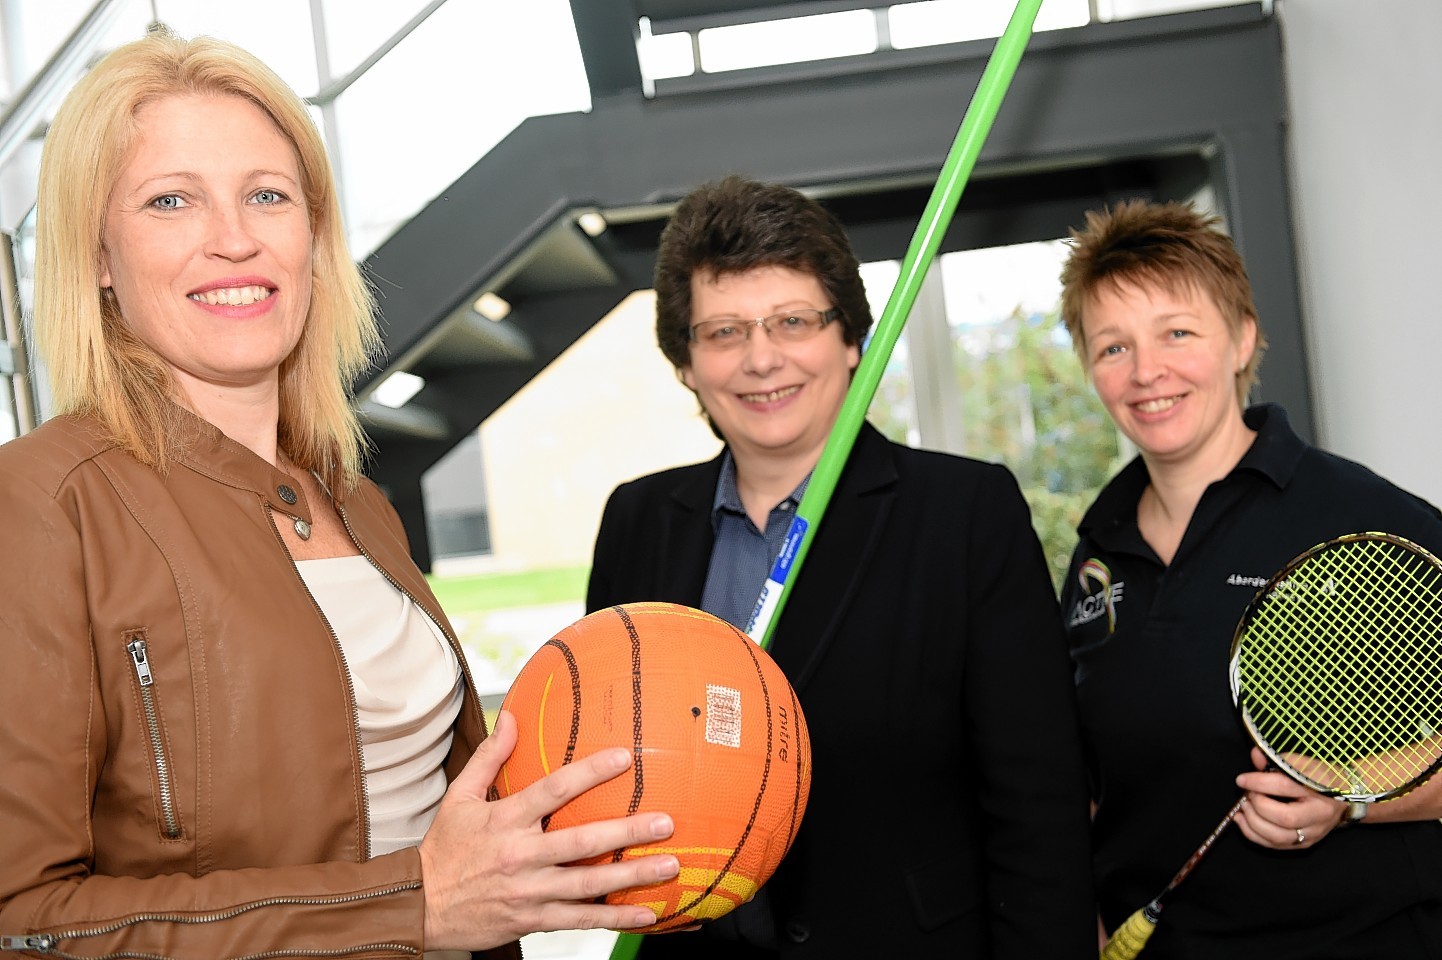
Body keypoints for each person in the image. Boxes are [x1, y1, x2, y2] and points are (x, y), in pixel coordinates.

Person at [0, 29, 681, 959]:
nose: (234, 239)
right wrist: (410, 909)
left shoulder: (355, 500)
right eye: (171, 201)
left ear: (312, 241)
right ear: (100, 257)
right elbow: (22, 924)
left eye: (268, 197)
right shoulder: (41, 505)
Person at [586, 175, 1097, 958]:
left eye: (793, 321)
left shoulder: (964, 513)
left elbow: (1040, 809)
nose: (761, 359)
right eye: (723, 332)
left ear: (851, 340)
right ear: (686, 362)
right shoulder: (638, 522)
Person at [1058, 199, 1442, 958]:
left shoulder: (1364, 518)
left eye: (1177, 333)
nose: (1146, 373)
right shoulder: (1094, 554)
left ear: (1242, 339)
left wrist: (1348, 800)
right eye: (1112, 347)